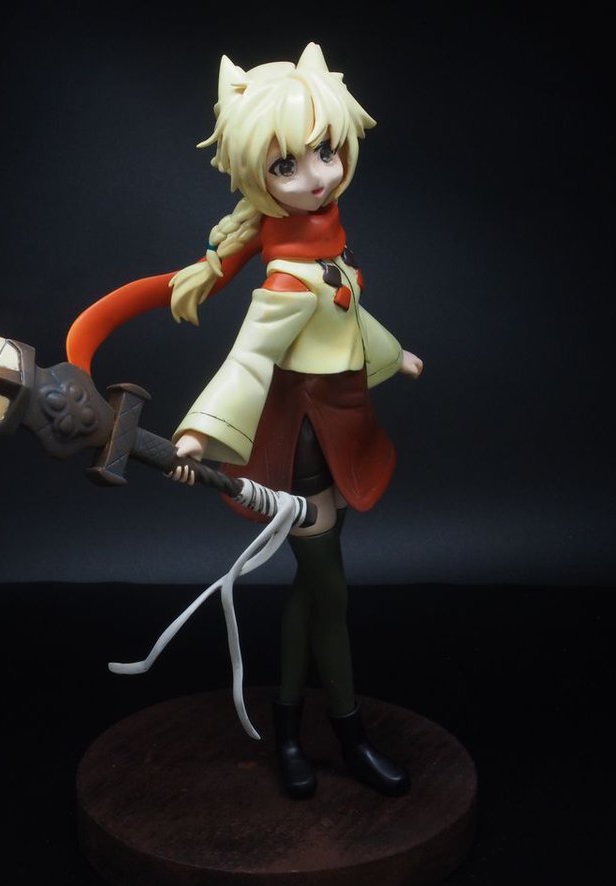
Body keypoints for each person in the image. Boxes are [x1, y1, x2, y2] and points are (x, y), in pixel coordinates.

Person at [66, 43, 422, 799]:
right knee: (330, 593)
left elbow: (346, 316)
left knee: (313, 590)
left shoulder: (323, 249)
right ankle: (348, 732)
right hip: (303, 442)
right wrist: (200, 434)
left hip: (340, 423)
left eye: (326, 151)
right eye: (287, 165)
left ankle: (290, 730)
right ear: (258, 177)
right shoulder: (288, 276)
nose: (317, 176)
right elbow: (250, 360)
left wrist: (395, 355)